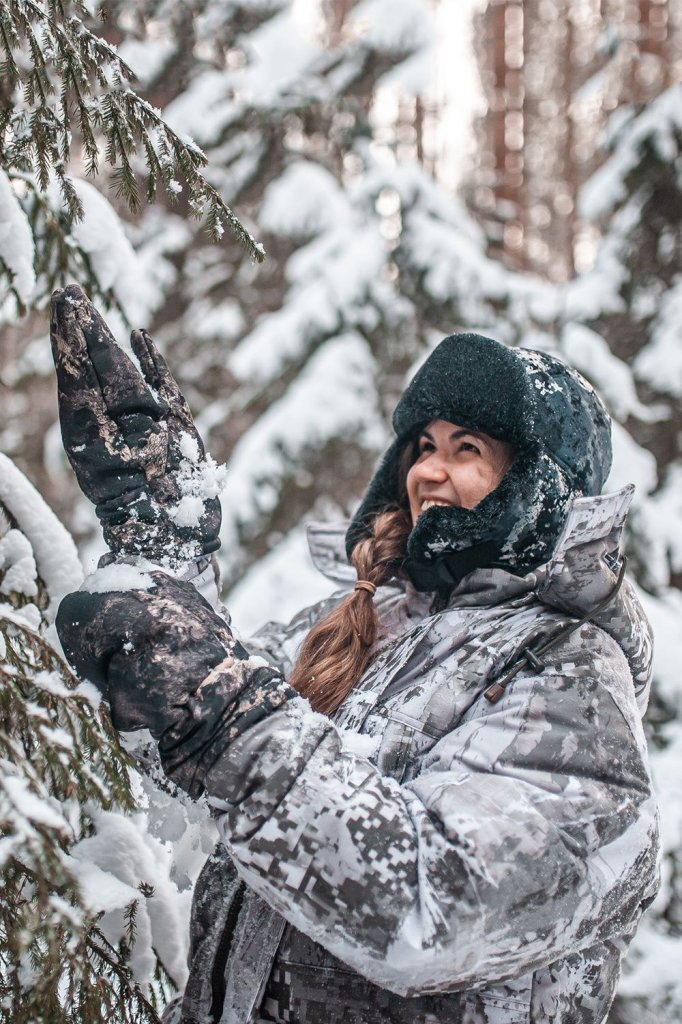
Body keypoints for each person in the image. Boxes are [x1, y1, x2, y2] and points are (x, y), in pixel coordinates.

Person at [51, 284, 659, 1024]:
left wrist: (218, 704)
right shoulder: (362, 626)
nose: (427, 472)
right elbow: (208, 763)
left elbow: (432, 910)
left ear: (541, 484)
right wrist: (166, 561)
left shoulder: (571, 676)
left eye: (467, 449)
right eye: (423, 446)